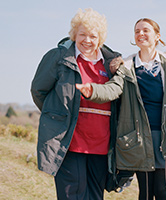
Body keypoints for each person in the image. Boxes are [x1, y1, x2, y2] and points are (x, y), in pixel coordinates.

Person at [77, 18, 166, 200]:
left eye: (146, 30)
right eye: (137, 31)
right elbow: (113, 88)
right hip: (139, 138)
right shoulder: (126, 66)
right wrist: (93, 91)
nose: (140, 34)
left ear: (157, 36)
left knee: (163, 191)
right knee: (145, 193)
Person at [31, 8, 122, 200]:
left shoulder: (110, 63)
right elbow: (38, 91)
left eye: (93, 36)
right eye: (82, 34)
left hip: (101, 145)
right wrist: (58, 117)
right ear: (74, 34)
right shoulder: (59, 57)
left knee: (95, 196)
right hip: (70, 142)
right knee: (71, 196)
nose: (87, 40)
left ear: (100, 38)